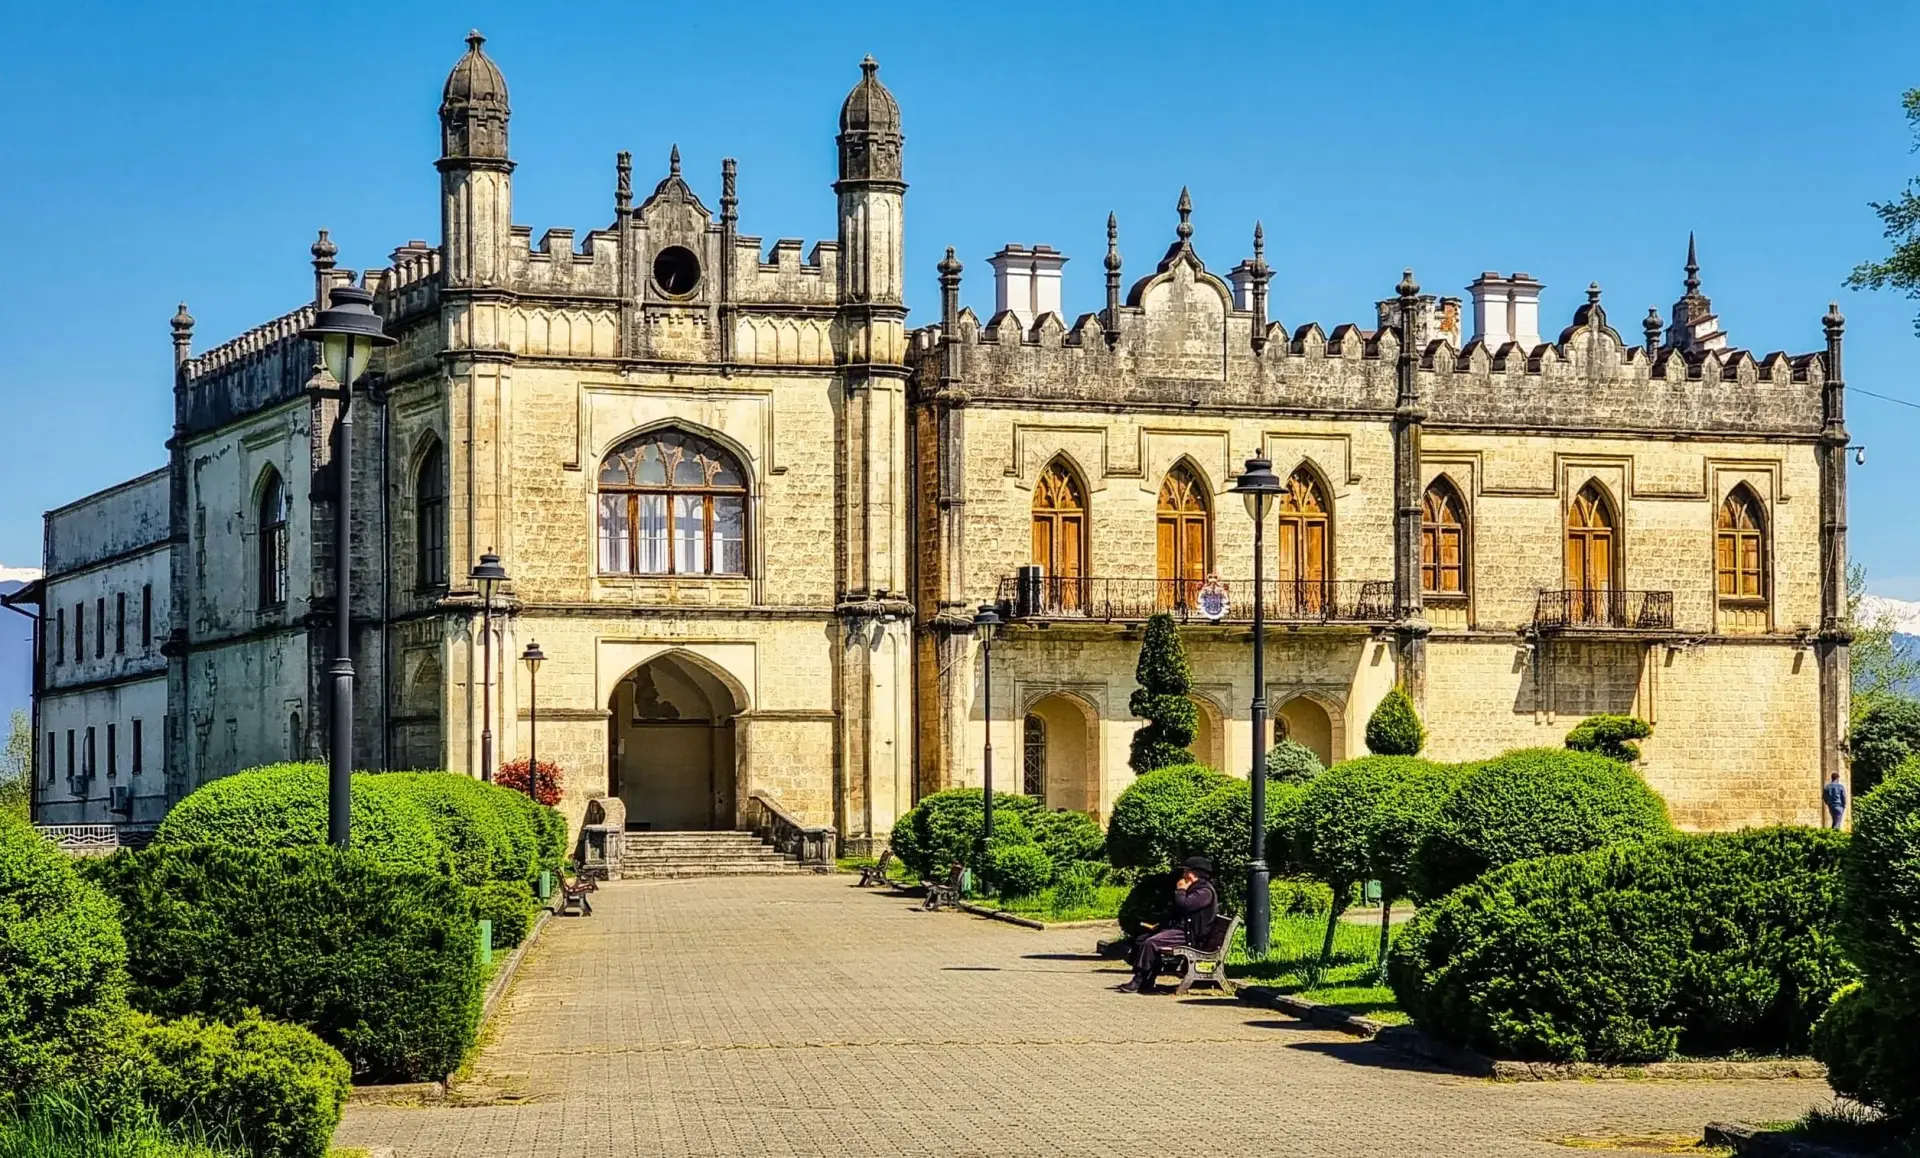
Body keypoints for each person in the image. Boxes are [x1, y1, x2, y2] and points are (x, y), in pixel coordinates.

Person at [1117, 856, 1218, 994]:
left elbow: (1185, 906)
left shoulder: (1204, 892)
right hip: (1181, 930)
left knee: (1152, 943)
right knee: (1142, 939)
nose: (1183, 875)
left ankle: (1138, 979)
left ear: (1195, 874)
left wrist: (1181, 890)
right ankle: (1149, 978)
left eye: (1186, 871)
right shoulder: (1195, 888)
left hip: (1191, 935)